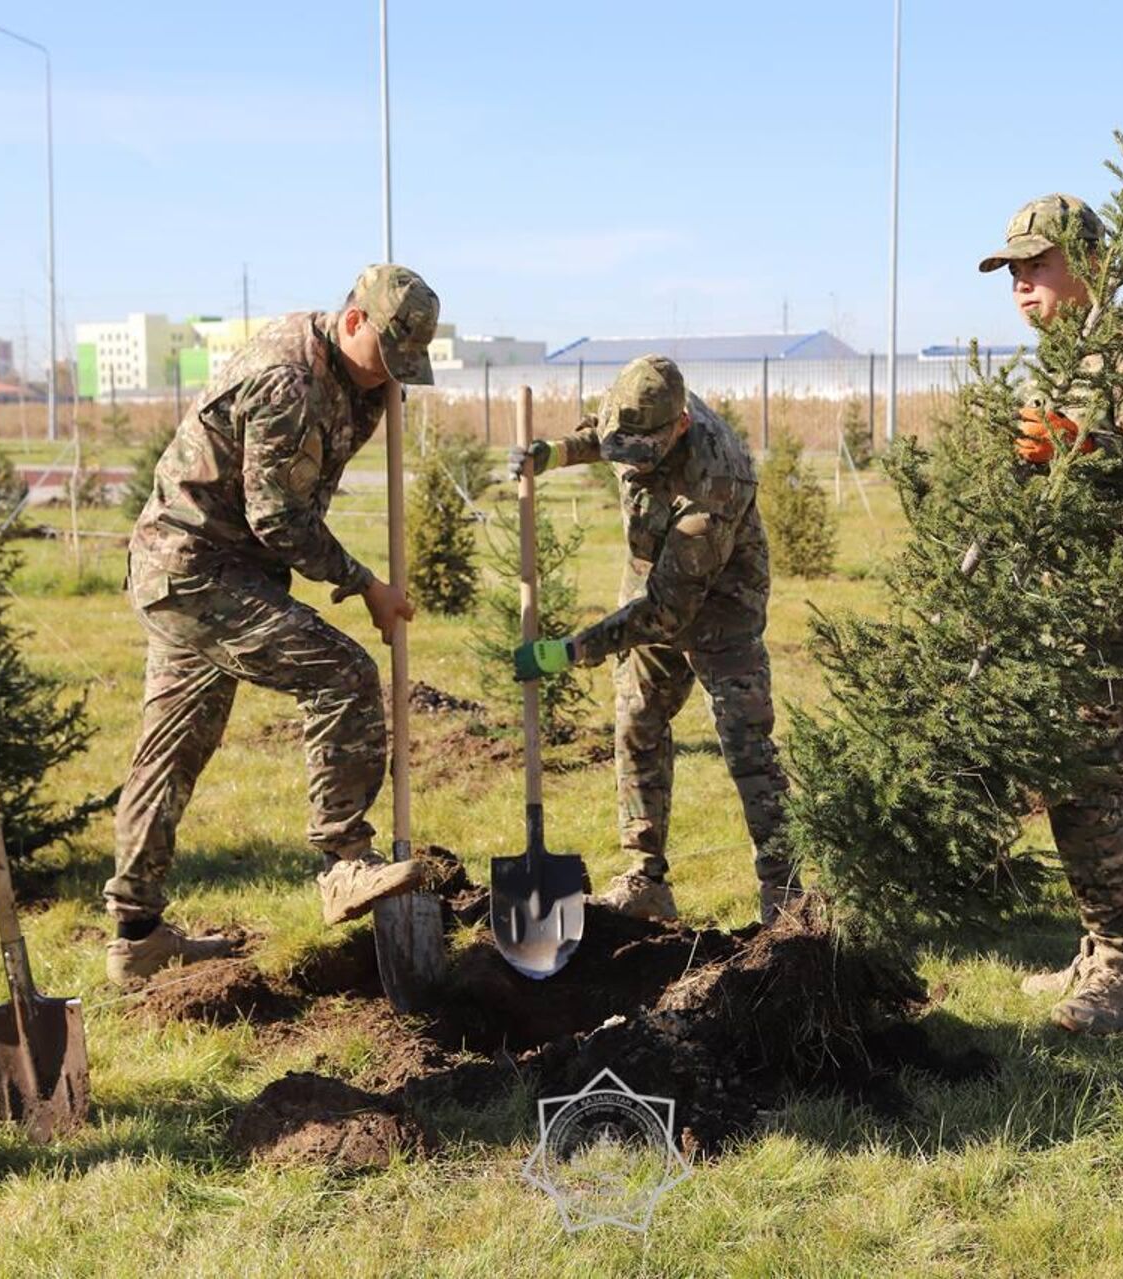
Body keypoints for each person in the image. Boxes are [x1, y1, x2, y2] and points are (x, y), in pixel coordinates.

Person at [105, 264, 442, 986]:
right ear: (354, 321)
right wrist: (365, 585)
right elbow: (277, 517)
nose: (393, 378)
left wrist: (381, 389)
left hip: (208, 567)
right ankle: (343, 859)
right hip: (195, 567)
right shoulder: (288, 377)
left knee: (173, 747)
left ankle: (135, 934)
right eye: (389, 358)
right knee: (343, 674)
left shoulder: (357, 377)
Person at [979, 193, 1123, 1034]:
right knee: (1108, 775)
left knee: (1084, 770)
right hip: (1079, 601)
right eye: (1012, 272)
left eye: (1037, 265)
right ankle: (1102, 947)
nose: (1021, 286)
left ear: (1086, 264)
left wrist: (1085, 443)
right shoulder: (1058, 362)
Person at [506, 355, 800, 924]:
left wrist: (572, 650)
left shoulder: (715, 482)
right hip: (648, 584)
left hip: (719, 608)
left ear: (679, 426)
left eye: (645, 454)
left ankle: (786, 893)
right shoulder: (629, 414)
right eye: (625, 448)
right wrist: (555, 454)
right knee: (636, 723)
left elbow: (667, 612)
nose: (632, 466)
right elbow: (599, 434)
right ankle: (646, 880)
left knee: (747, 743)